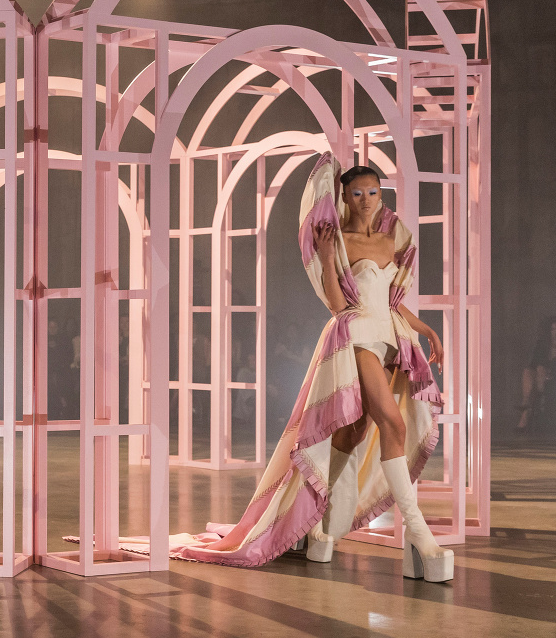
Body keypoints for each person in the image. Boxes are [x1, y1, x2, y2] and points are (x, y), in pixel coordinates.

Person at [170, 154, 452, 583]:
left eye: (373, 192)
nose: (366, 200)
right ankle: (417, 532)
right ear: (345, 198)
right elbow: (339, 306)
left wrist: (426, 329)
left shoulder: (390, 239)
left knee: (352, 432)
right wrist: (325, 255)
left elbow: (391, 302)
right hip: (355, 337)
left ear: (381, 195)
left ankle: (318, 528)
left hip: (390, 338)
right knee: (392, 423)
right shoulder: (338, 241)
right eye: (356, 193)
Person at [517, 316, 556, 431]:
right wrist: (541, 369)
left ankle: (526, 412)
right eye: (553, 329)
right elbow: (533, 363)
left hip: (552, 377)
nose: (555, 332)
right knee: (528, 372)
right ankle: (525, 407)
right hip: (541, 376)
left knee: (540, 371)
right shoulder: (543, 345)